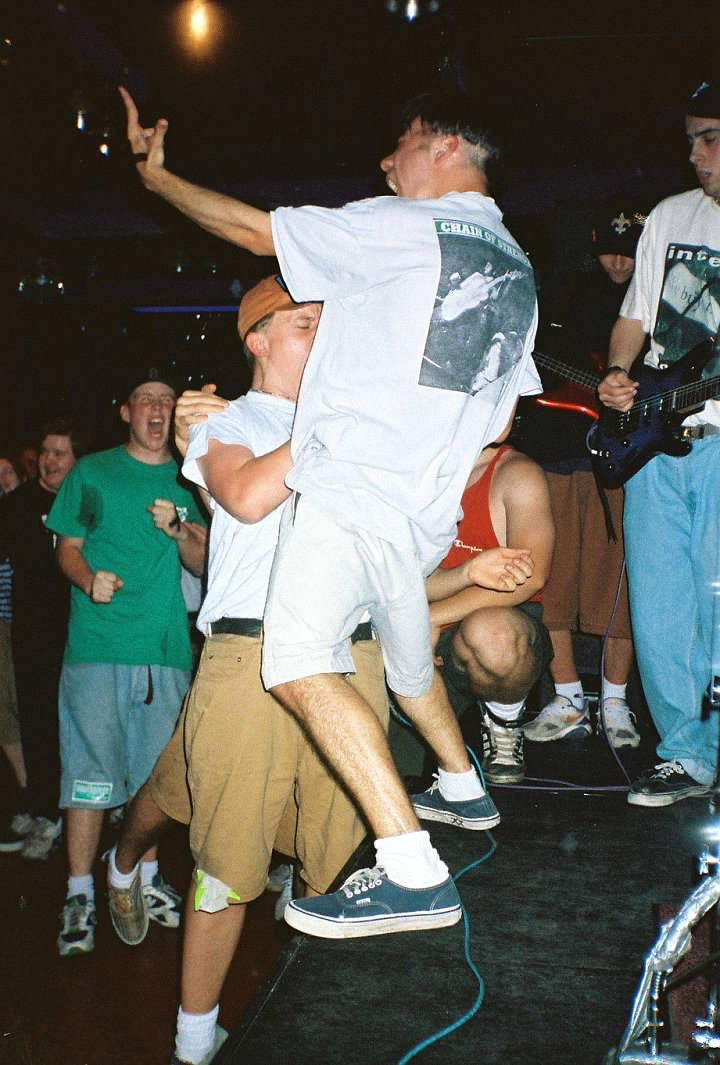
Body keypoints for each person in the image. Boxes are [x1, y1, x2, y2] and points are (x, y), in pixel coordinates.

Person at [120, 86, 541, 939]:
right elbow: (500, 418)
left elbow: (254, 231)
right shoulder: (519, 270)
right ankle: (463, 785)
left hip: (357, 493)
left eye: (401, 145)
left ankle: (414, 868)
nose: (387, 165)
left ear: (445, 143)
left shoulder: (401, 224)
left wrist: (158, 183)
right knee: (407, 658)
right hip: (417, 511)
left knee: (299, 662)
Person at [106, 278, 390, 1065]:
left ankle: (301, 1016)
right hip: (254, 652)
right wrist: (337, 424)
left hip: (345, 655)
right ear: (257, 338)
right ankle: (191, 1042)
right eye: (304, 325)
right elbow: (248, 493)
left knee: (331, 860)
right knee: (219, 854)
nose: (323, 339)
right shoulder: (223, 419)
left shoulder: (352, 428)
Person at [47, 372, 206, 955]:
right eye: (146, 401)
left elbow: (202, 561)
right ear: (126, 412)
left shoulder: (193, 477)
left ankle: (143, 879)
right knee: (88, 779)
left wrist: (180, 526)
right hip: (95, 648)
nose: (157, 411)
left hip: (164, 651)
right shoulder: (91, 473)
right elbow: (67, 548)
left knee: (154, 780)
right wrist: (90, 582)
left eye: (166, 402)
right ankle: (79, 894)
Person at [598, 79, 720, 806]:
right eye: (691, 140)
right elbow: (634, 318)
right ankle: (683, 751)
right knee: (661, 603)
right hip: (657, 437)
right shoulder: (672, 217)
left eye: (711, 139)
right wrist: (617, 373)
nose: (696, 154)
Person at [522, 202, 645, 749]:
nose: (618, 261)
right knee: (555, 580)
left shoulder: (652, 301)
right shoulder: (563, 296)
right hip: (559, 451)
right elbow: (539, 365)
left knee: (621, 579)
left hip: (629, 457)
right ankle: (569, 696)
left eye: (629, 250)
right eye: (609, 250)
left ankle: (615, 702)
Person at [420, 441, 555, 786]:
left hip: (493, 617)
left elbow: (530, 577)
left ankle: (503, 715)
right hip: (416, 614)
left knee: (494, 637)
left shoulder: (516, 473)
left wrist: (433, 617)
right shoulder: (412, 461)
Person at [0, 424, 83, 857]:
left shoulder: (86, 499)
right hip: (31, 632)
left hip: (78, 632)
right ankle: (41, 806)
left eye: (60, 453)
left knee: (67, 726)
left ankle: (60, 816)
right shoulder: (20, 504)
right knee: (35, 721)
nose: (50, 460)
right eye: (47, 451)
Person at [0, 450, 27, 851]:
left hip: (36, 629)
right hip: (3, 626)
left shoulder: (37, 514)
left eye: (6, 472)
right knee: (5, 712)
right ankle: (27, 792)